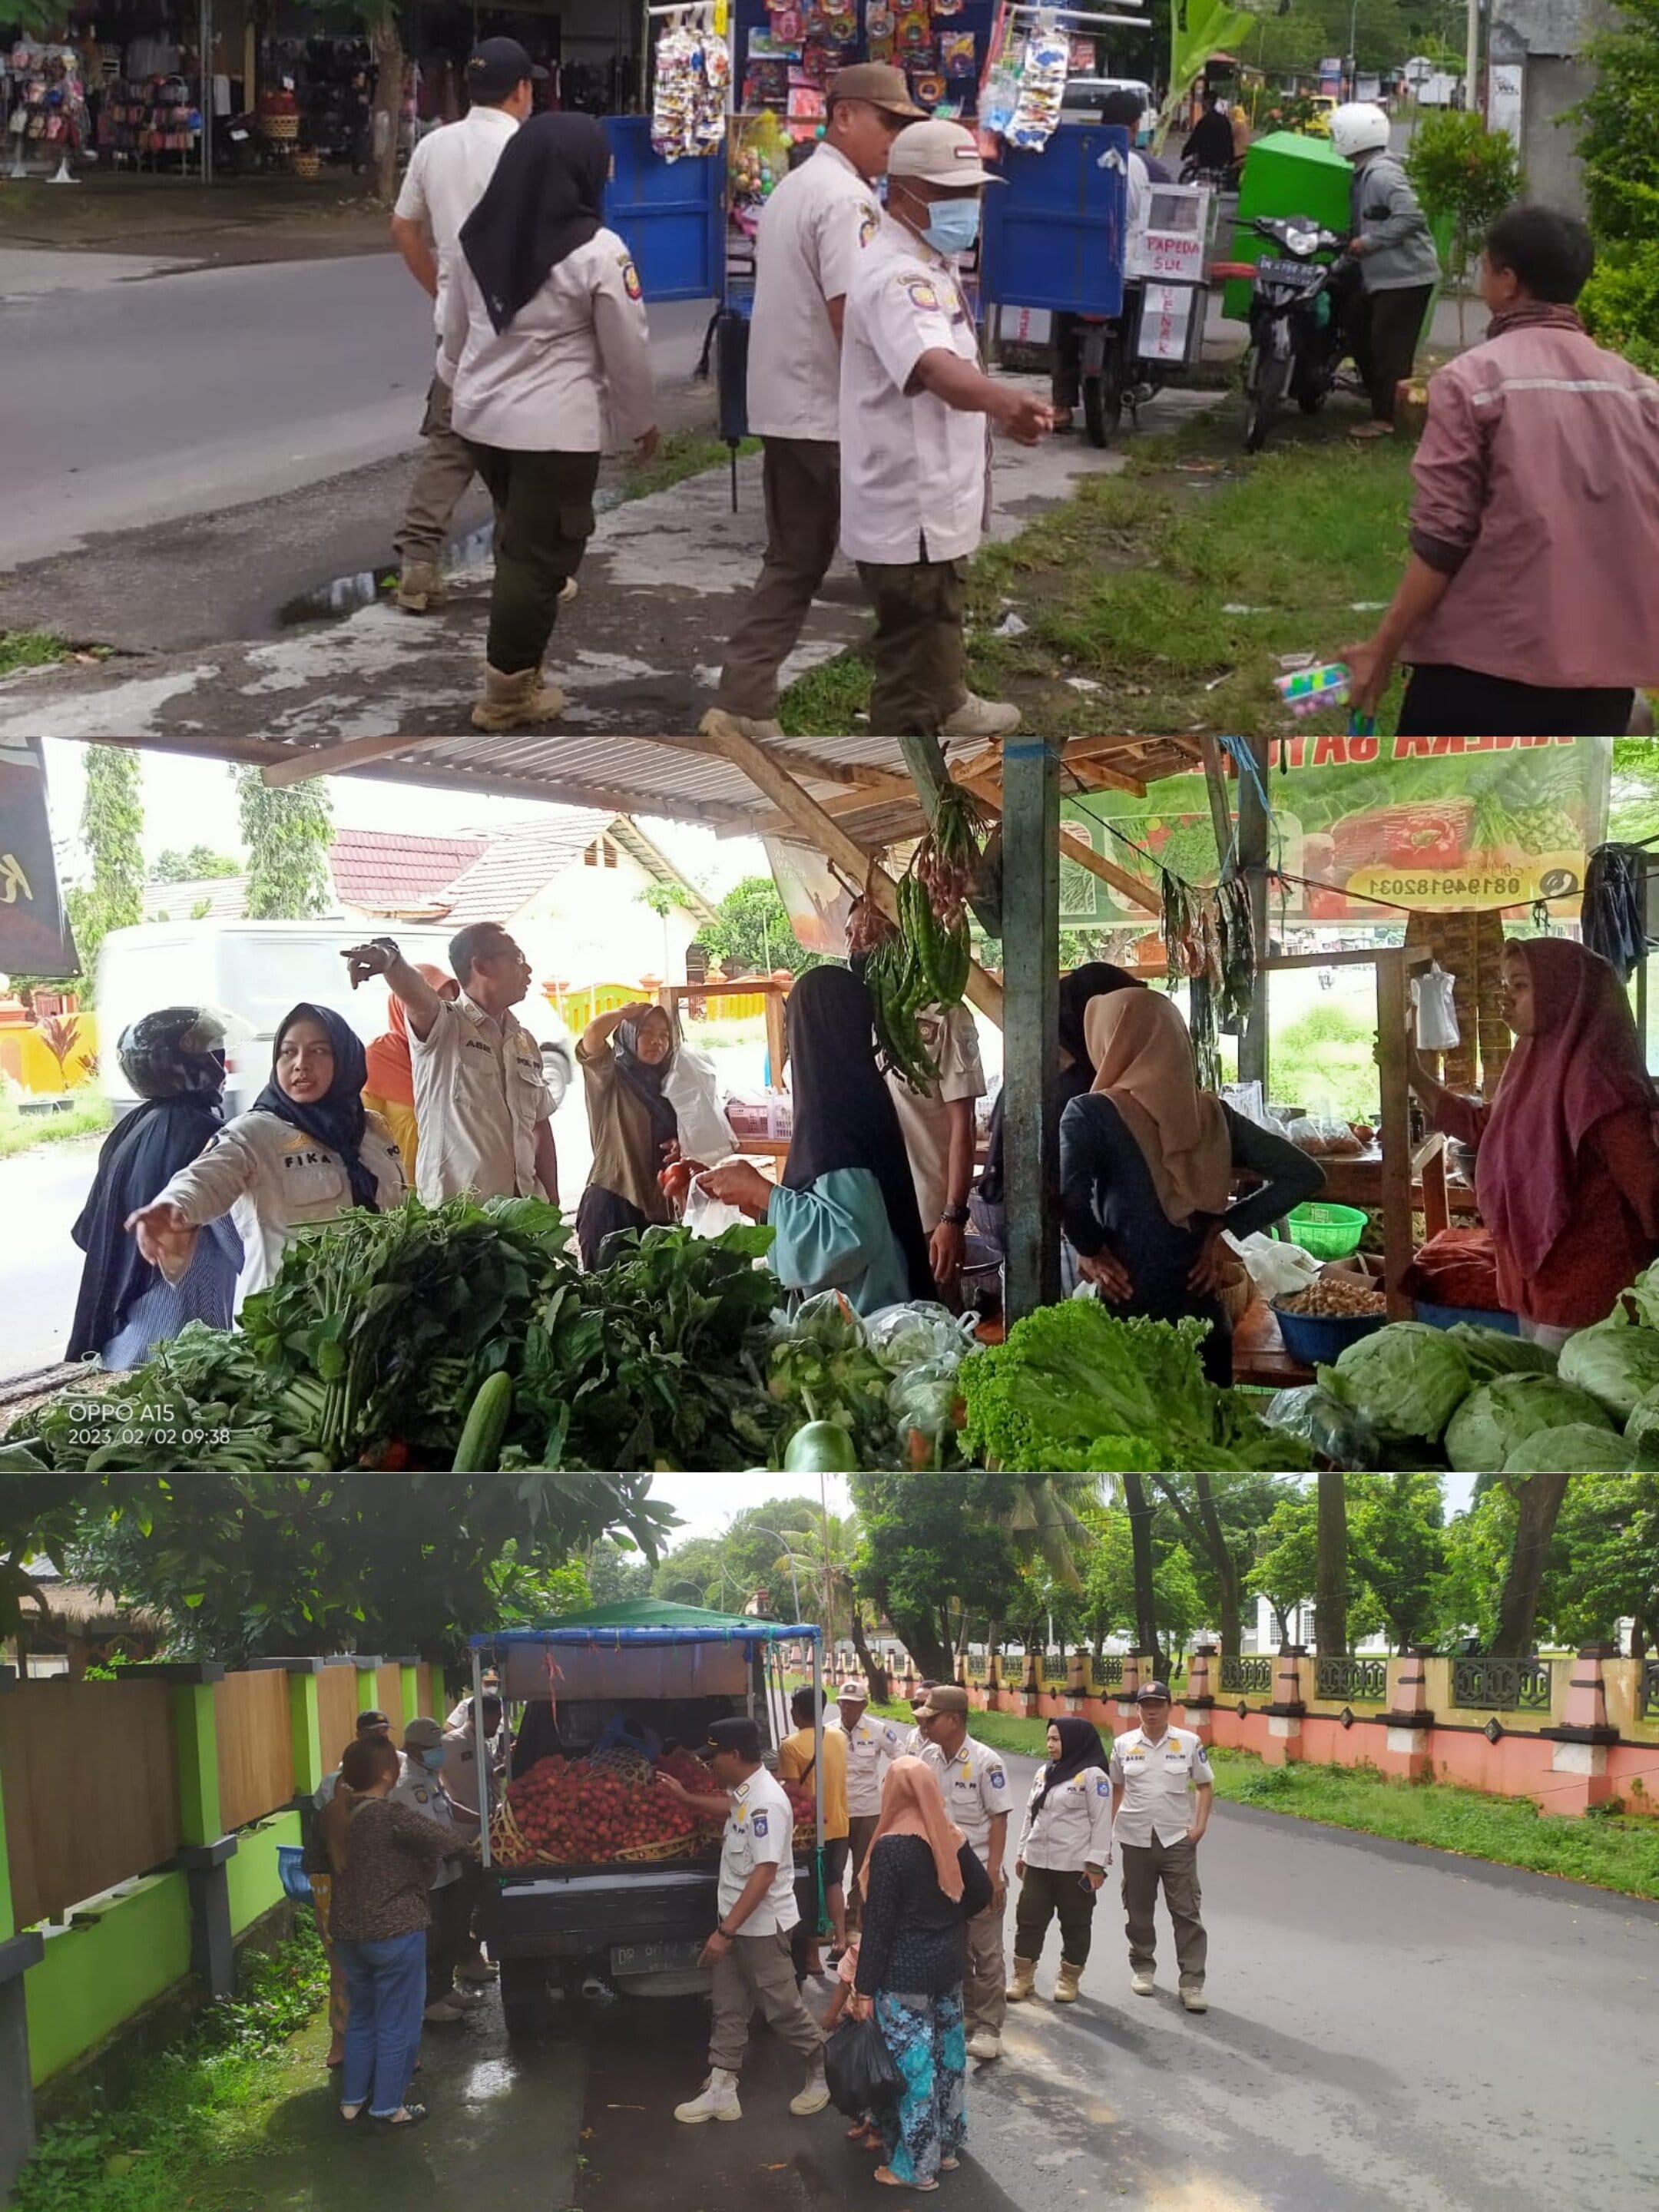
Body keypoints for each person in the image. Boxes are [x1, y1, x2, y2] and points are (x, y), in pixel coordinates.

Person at [705, 65, 1021, 747]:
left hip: (788, 404)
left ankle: (746, 697)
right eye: (891, 122)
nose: (898, 137)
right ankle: (922, 703)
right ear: (843, 115)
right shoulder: (848, 203)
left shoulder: (798, 186)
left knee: (799, 558)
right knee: (918, 566)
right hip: (832, 412)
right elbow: (860, 318)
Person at [1342, 204, 1659, 735]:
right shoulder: (1641, 393)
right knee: (1569, 818)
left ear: (1508, 281)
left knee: (1444, 814)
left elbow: (1443, 539)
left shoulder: (1473, 382)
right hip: (1601, 685)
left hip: (1478, 674)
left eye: (1486, 266)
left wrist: (1383, 645)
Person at [443, 111, 658, 733]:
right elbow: (627, 350)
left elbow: (454, 334)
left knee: (522, 541)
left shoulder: (474, 235)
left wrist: (458, 389)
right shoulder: (598, 251)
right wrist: (639, 422)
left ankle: (520, 650)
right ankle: (508, 693)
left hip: (482, 421)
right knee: (535, 561)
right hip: (554, 432)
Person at [839, 118, 1052, 741]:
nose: (969, 206)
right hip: (912, 512)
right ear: (904, 191)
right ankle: (899, 768)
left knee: (938, 620)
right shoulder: (898, 277)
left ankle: (949, 698)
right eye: (952, 192)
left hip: (928, 505)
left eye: (975, 192)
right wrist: (1005, 402)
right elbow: (934, 369)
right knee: (911, 659)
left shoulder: (927, 260)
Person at [1060, 988, 1326, 1385]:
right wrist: (1224, 1228)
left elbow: (1070, 1199)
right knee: (1207, 1437)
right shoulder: (1216, 1115)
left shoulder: (1088, 1113)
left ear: (1112, 1041)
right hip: (1206, 1329)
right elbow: (1305, 1174)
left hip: (1128, 1326)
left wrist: (1091, 1251)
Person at [1406, 936, 1659, 1347]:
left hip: (1591, 1288)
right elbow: (1484, 1126)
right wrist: (1413, 1073)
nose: (1505, 1000)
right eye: (1505, 986)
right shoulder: (1532, 1058)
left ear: (1564, 992)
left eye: (1520, 986)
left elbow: (1649, 1190)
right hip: (1535, 1276)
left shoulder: (1602, 1085)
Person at [389, 38, 544, 614]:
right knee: (524, 446)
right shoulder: (530, 147)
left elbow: (403, 229)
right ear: (522, 89)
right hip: (525, 321)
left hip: (456, 323)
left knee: (453, 442)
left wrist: (441, 286)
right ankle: (525, 568)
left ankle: (418, 565)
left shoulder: (435, 145)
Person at [687, 965, 934, 1316]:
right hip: (887, 1307)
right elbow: (832, 1203)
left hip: (870, 1325)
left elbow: (846, 1240)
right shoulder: (857, 1093)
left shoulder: (834, 1114)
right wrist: (755, 1202)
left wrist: (763, 1192)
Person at [126, 1005, 406, 1308]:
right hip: (287, 1329)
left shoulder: (373, 1128)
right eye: (288, 1052)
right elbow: (208, 1175)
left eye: (319, 1051)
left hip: (374, 1320)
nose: (301, 1064)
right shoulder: (255, 1132)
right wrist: (174, 1206)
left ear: (346, 1059)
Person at [659, 1717, 830, 2124]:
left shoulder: (767, 1802)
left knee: (782, 2008)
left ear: (734, 1755)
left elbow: (764, 1872)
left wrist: (725, 1931)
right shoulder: (747, 1793)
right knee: (728, 2006)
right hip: (737, 1923)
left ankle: (823, 2072)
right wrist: (687, 1799)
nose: (708, 1766)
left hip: (759, 1929)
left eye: (713, 1757)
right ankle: (722, 2087)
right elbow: (732, 1808)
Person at [67, 1006, 240, 1367]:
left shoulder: (130, 1128)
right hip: (179, 1349)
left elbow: (88, 1233)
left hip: (118, 1340)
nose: (220, 1064)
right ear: (187, 1065)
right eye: (212, 1054)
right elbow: (242, 1247)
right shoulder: (208, 1136)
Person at [850, 1754, 992, 2188]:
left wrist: (863, 1988)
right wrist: (946, 1920)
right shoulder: (949, 1836)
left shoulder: (892, 1847)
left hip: (904, 1976)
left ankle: (915, 2167)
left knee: (912, 2071)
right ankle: (946, 2149)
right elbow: (982, 1892)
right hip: (947, 1968)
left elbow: (878, 1927)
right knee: (947, 2060)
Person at [341, 926, 558, 1207]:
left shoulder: (523, 1041)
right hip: (459, 1225)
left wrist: (550, 1201)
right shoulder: (444, 1025)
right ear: (481, 966)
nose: (528, 969)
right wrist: (391, 960)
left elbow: (540, 1126)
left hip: (526, 1213)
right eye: (517, 958)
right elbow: (417, 994)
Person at [318, 1734, 454, 2126]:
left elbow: (316, 1860)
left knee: (361, 2016)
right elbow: (444, 1840)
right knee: (399, 2021)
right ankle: (389, 2107)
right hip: (395, 1932)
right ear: (384, 1774)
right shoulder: (390, 1815)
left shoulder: (333, 1815)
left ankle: (352, 2101)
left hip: (348, 1934)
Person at [977, 960, 1146, 1250]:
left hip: (1027, 1226)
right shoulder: (1080, 1086)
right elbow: (1076, 1194)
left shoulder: (1042, 1070)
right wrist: (1092, 1250)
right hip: (1056, 1238)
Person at [1328, 102, 1439, 439]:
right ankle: (1381, 401)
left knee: (1390, 348)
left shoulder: (1381, 175)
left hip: (1405, 276)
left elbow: (1411, 216)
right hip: (1383, 277)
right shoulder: (1366, 173)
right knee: (1359, 326)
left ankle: (1390, 420)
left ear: (1352, 136)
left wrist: (1371, 243)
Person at [915, 1684, 1008, 2062]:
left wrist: (993, 1876)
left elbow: (999, 1819)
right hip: (942, 1873)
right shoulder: (927, 1759)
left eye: (931, 1719)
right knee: (956, 1948)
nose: (924, 1726)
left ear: (954, 1720)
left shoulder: (987, 1762)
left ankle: (989, 2026)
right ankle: (968, 2014)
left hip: (980, 1871)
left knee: (986, 1953)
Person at [1053, 89, 1157, 431]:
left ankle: (1061, 406)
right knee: (1137, 316)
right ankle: (1137, 371)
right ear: (1135, 126)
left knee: (1064, 327)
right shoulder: (1145, 166)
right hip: (1127, 269)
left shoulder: (1078, 157)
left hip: (1078, 266)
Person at [1109, 1679, 1213, 2013]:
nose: (1151, 1712)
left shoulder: (1188, 1742)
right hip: (1135, 1838)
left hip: (1176, 1839)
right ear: (1137, 1709)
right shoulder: (1123, 1744)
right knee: (1138, 1909)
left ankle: (1192, 1981)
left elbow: (1204, 1785)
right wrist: (1105, 1837)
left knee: (1186, 1911)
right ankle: (1143, 1967)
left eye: (1158, 1705)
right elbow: (1115, 1790)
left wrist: (1198, 1827)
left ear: (1170, 1707)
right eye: (1145, 1705)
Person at [311, 1711, 396, 2071]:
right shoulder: (332, 1786)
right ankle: (342, 2041)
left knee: (379, 1964)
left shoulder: (390, 1779)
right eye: (373, 1733)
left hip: (365, 1885)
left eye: (383, 1732)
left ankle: (382, 2044)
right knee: (345, 1967)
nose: (380, 1736)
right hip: (333, 1884)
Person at [1008, 1719, 1113, 2007]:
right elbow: (1032, 1814)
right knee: (1028, 1919)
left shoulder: (1094, 1776)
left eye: (1056, 1739)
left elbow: (1102, 1822)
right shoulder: (1044, 1772)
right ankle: (1023, 1977)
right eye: (1049, 1739)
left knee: (1076, 1923)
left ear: (1075, 1740)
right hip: (1038, 1862)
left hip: (1074, 1865)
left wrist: (1096, 1865)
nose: (1050, 1745)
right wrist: (1021, 1852)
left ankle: (1069, 1977)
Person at [575, 999, 679, 1269]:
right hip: (613, 1203)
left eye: (664, 1035)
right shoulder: (610, 1076)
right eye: (646, 1032)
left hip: (658, 1206)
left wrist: (680, 1146)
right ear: (629, 1034)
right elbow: (593, 1036)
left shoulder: (669, 1084)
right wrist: (625, 1013)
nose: (657, 1042)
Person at [395, 1715, 480, 2025]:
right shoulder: (407, 1785)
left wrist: (482, 1819)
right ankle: (430, 2001)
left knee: (451, 1933)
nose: (437, 1753)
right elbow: (424, 1833)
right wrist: (460, 1847)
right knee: (431, 1939)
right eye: (431, 1748)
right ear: (414, 1749)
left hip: (449, 1871)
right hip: (428, 1877)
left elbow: (449, 1808)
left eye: (438, 1747)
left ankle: (445, 1990)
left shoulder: (430, 1776)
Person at [361, 963, 459, 1189]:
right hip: (402, 1196)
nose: (440, 1017)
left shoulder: (466, 1058)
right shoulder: (377, 1059)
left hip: (458, 1193)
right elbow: (362, 1137)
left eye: (449, 1007)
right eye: (431, 1006)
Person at [777, 1684, 851, 1969]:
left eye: (793, 1708)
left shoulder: (790, 1746)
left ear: (797, 1711)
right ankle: (840, 1940)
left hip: (810, 1829)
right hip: (839, 1824)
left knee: (809, 1889)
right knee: (834, 1883)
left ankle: (811, 1957)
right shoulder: (838, 1737)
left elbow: (795, 1793)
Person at [833, 1679, 905, 1935]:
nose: (846, 1709)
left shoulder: (878, 1730)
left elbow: (903, 1758)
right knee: (834, 1870)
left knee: (863, 1870)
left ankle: (855, 1922)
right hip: (837, 1812)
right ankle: (834, 1924)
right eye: (843, 1703)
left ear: (863, 1705)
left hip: (869, 1811)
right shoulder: (828, 1732)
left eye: (852, 1704)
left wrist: (888, 1787)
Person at [442, 1694, 505, 1988]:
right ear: (480, 1718)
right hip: (463, 1838)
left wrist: (501, 1770)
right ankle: (464, 1961)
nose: (499, 1724)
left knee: (481, 1899)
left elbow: (484, 1778)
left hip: (485, 1835)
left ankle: (471, 1956)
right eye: (495, 1719)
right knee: (464, 1903)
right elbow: (441, 1784)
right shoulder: (452, 1744)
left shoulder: (482, 1743)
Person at [1183, 90, 1234, 175]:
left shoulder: (1205, 121)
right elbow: (1229, 140)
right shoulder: (1224, 120)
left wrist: (1185, 153)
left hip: (1206, 161)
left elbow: (1195, 139)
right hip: (1222, 161)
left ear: (1206, 102)